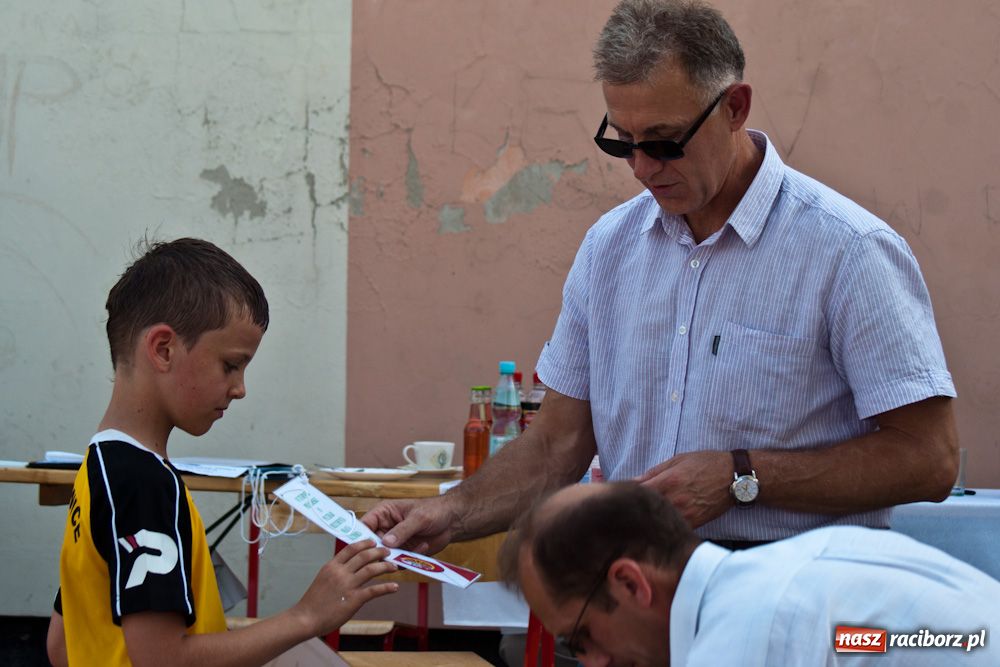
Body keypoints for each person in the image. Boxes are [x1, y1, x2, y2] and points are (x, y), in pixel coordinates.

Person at [362, 0, 958, 552]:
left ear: (735, 107)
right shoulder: (609, 249)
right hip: (630, 595)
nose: (644, 168)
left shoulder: (849, 250)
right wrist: (451, 511)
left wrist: (742, 477)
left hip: (788, 598)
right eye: (624, 143)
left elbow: (930, 459)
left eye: (665, 143)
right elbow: (556, 446)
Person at [46, 238, 399, 667]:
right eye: (231, 365)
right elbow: (163, 660)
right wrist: (307, 616)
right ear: (163, 349)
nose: (240, 388)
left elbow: (62, 647)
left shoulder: (96, 471)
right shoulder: (147, 485)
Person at [499, 482, 999, 667]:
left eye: (581, 639)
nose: (594, 664)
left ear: (630, 583)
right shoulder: (797, 566)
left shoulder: (747, 630)